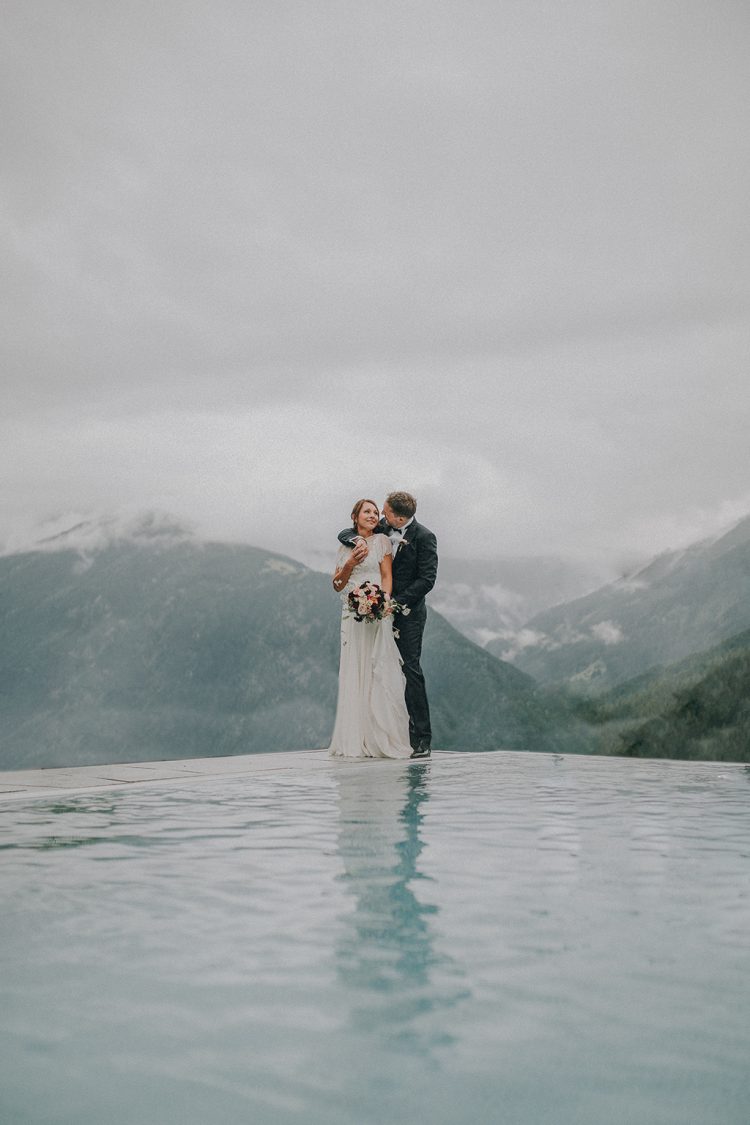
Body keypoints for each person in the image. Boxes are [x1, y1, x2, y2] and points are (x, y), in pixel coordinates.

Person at [338, 491, 437, 758]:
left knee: (410, 670)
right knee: (375, 668)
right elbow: (346, 532)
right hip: (373, 613)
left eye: (385, 512)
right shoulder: (383, 528)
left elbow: (427, 580)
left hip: (409, 614)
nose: (380, 516)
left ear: (399, 516)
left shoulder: (424, 537)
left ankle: (421, 739)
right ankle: (374, 732)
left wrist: (391, 603)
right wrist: (356, 539)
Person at [328, 499, 413, 759]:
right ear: (355, 516)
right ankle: (355, 736)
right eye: (367, 511)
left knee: (378, 669)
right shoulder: (345, 546)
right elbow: (337, 584)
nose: (373, 515)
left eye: (376, 512)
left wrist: (383, 602)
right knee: (355, 669)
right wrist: (351, 563)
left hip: (377, 611)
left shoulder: (382, 542)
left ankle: (380, 736)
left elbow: (387, 576)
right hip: (352, 613)